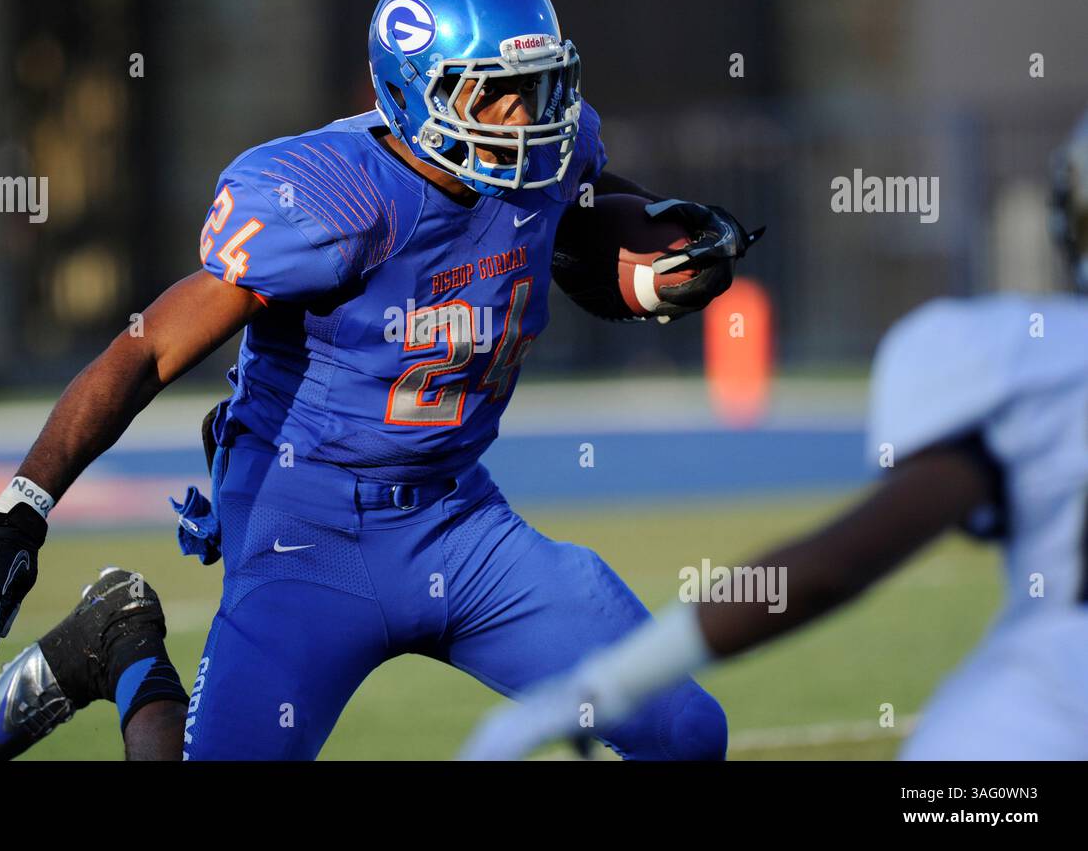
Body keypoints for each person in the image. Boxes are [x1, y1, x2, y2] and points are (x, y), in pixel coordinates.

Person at [0, 0, 754, 760]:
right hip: (307, 530)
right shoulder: (336, 197)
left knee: (686, 730)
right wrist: (23, 505)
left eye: (539, 88)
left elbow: (587, 214)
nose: (528, 117)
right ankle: (122, 641)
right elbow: (148, 348)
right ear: (417, 93)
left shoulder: (543, 159)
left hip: (461, 521)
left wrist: (669, 242)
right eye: (497, 95)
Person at [461, 110, 1088, 761]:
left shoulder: (1037, 362)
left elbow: (833, 564)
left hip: (1049, 714)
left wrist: (610, 681)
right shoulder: (359, 180)